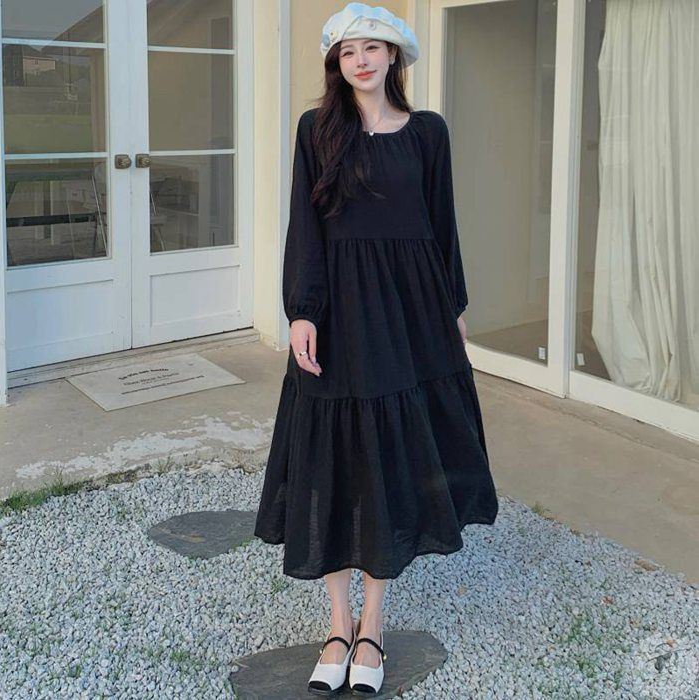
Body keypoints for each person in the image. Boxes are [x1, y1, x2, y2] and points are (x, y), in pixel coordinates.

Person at [253, 2, 499, 695]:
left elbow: (443, 224)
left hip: (411, 309)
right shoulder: (317, 130)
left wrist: (452, 306)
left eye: (372, 47)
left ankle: (374, 626)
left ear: (394, 56)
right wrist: (303, 311)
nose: (360, 60)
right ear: (337, 63)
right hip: (338, 308)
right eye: (348, 50)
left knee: (389, 455)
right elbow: (305, 226)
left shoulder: (428, 132)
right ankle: (338, 624)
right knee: (329, 455)